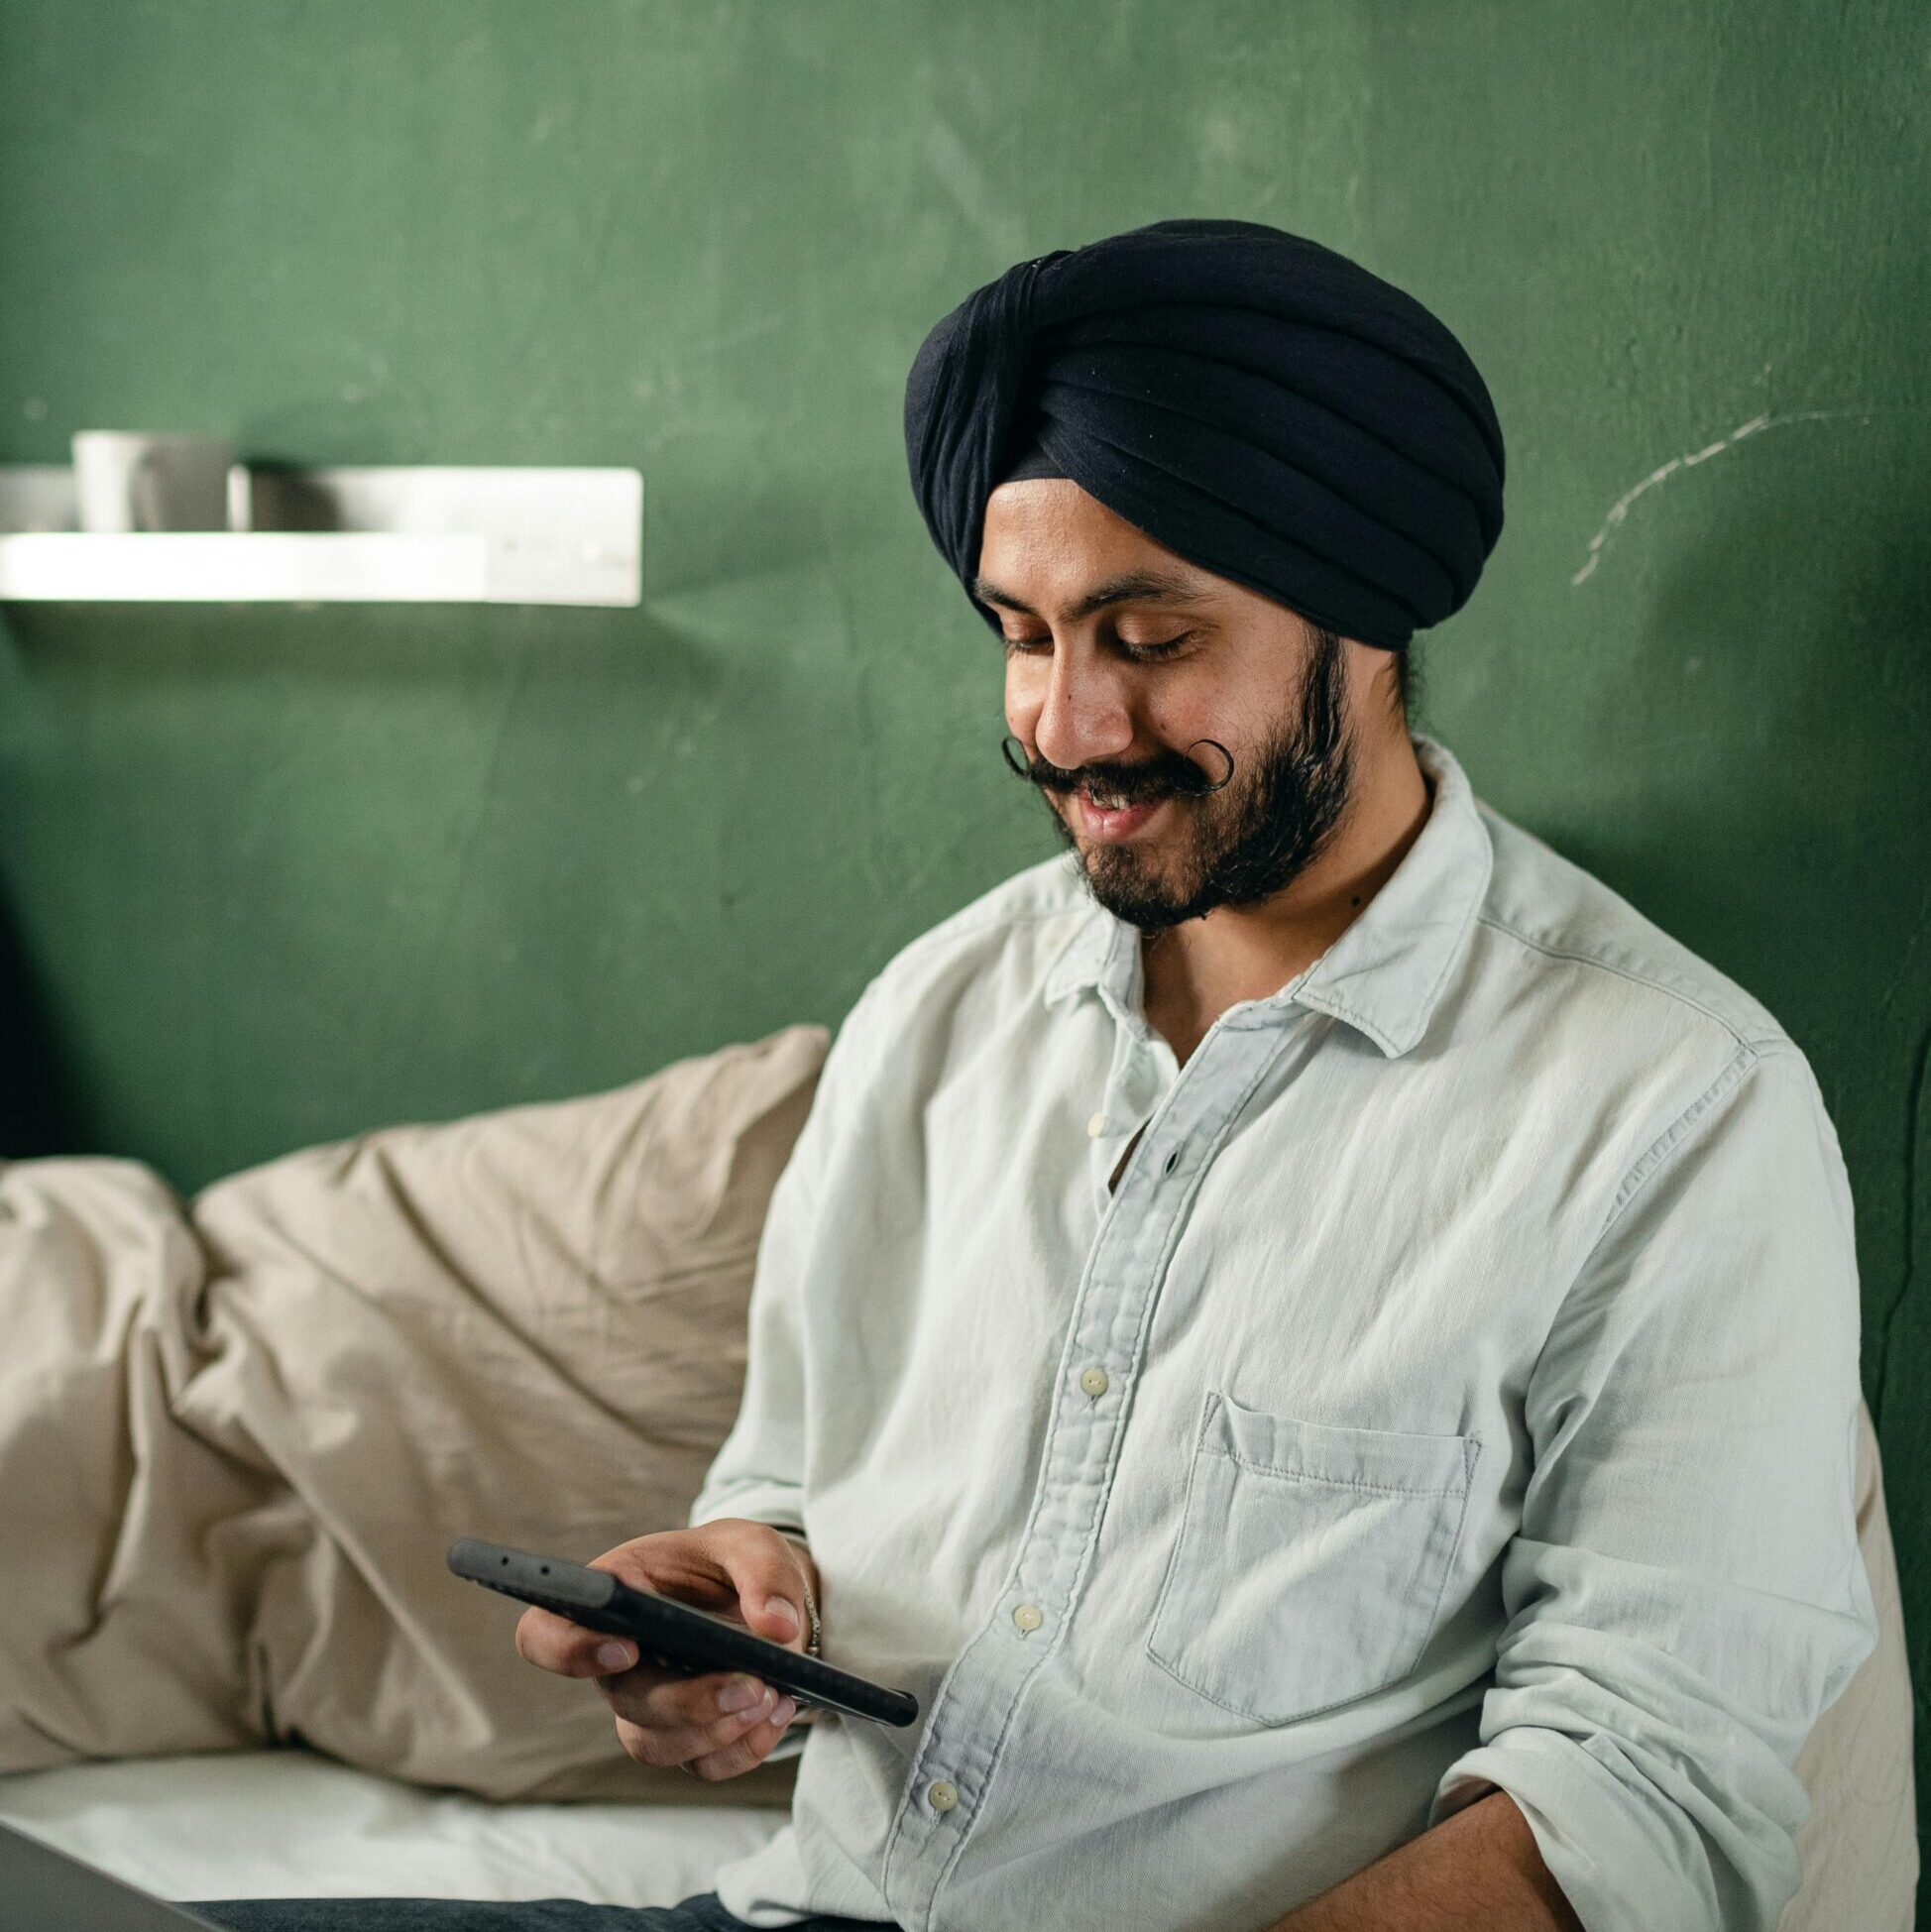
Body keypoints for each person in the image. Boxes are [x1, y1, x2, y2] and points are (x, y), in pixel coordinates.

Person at [200, 219, 1876, 1932]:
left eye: (1147, 638)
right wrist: (737, 1608)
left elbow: (1644, 1799)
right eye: (1023, 632)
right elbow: (786, 1491)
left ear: (1363, 618)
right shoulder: (940, 1011)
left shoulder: (1676, 1108)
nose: (1065, 725)